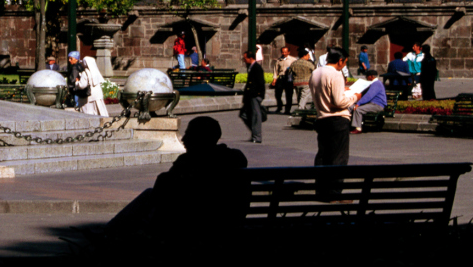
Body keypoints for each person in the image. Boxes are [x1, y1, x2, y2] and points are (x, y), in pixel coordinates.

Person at [99, 116, 250, 247]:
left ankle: (108, 232)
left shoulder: (187, 164)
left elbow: (161, 193)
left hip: (187, 228)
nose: (183, 139)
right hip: (227, 223)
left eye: (188, 134)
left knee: (149, 196)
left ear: (199, 139)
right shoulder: (234, 158)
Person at [310, 48, 354, 167]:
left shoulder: (316, 72)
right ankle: (334, 185)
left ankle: (321, 184)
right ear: (340, 61)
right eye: (345, 62)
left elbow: (324, 91)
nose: (343, 65)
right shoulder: (336, 74)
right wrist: (355, 97)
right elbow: (339, 102)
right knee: (338, 157)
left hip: (322, 118)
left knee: (323, 155)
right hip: (337, 120)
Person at [240, 46, 268, 144]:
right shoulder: (251, 67)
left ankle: (257, 136)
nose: (244, 60)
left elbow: (260, 82)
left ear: (250, 58)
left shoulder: (257, 68)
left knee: (256, 115)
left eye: (245, 58)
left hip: (255, 95)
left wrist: (258, 94)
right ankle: (254, 132)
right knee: (243, 114)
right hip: (250, 96)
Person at [285, 47, 315, 114]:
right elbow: (314, 71)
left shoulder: (294, 63)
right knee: (304, 97)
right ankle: (300, 110)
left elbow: (289, 73)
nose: (309, 57)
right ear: (304, 55)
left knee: (299, 97)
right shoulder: (309, 64)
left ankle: (302, 108)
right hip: (306, 83)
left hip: (296, 83)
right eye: (308, 55)